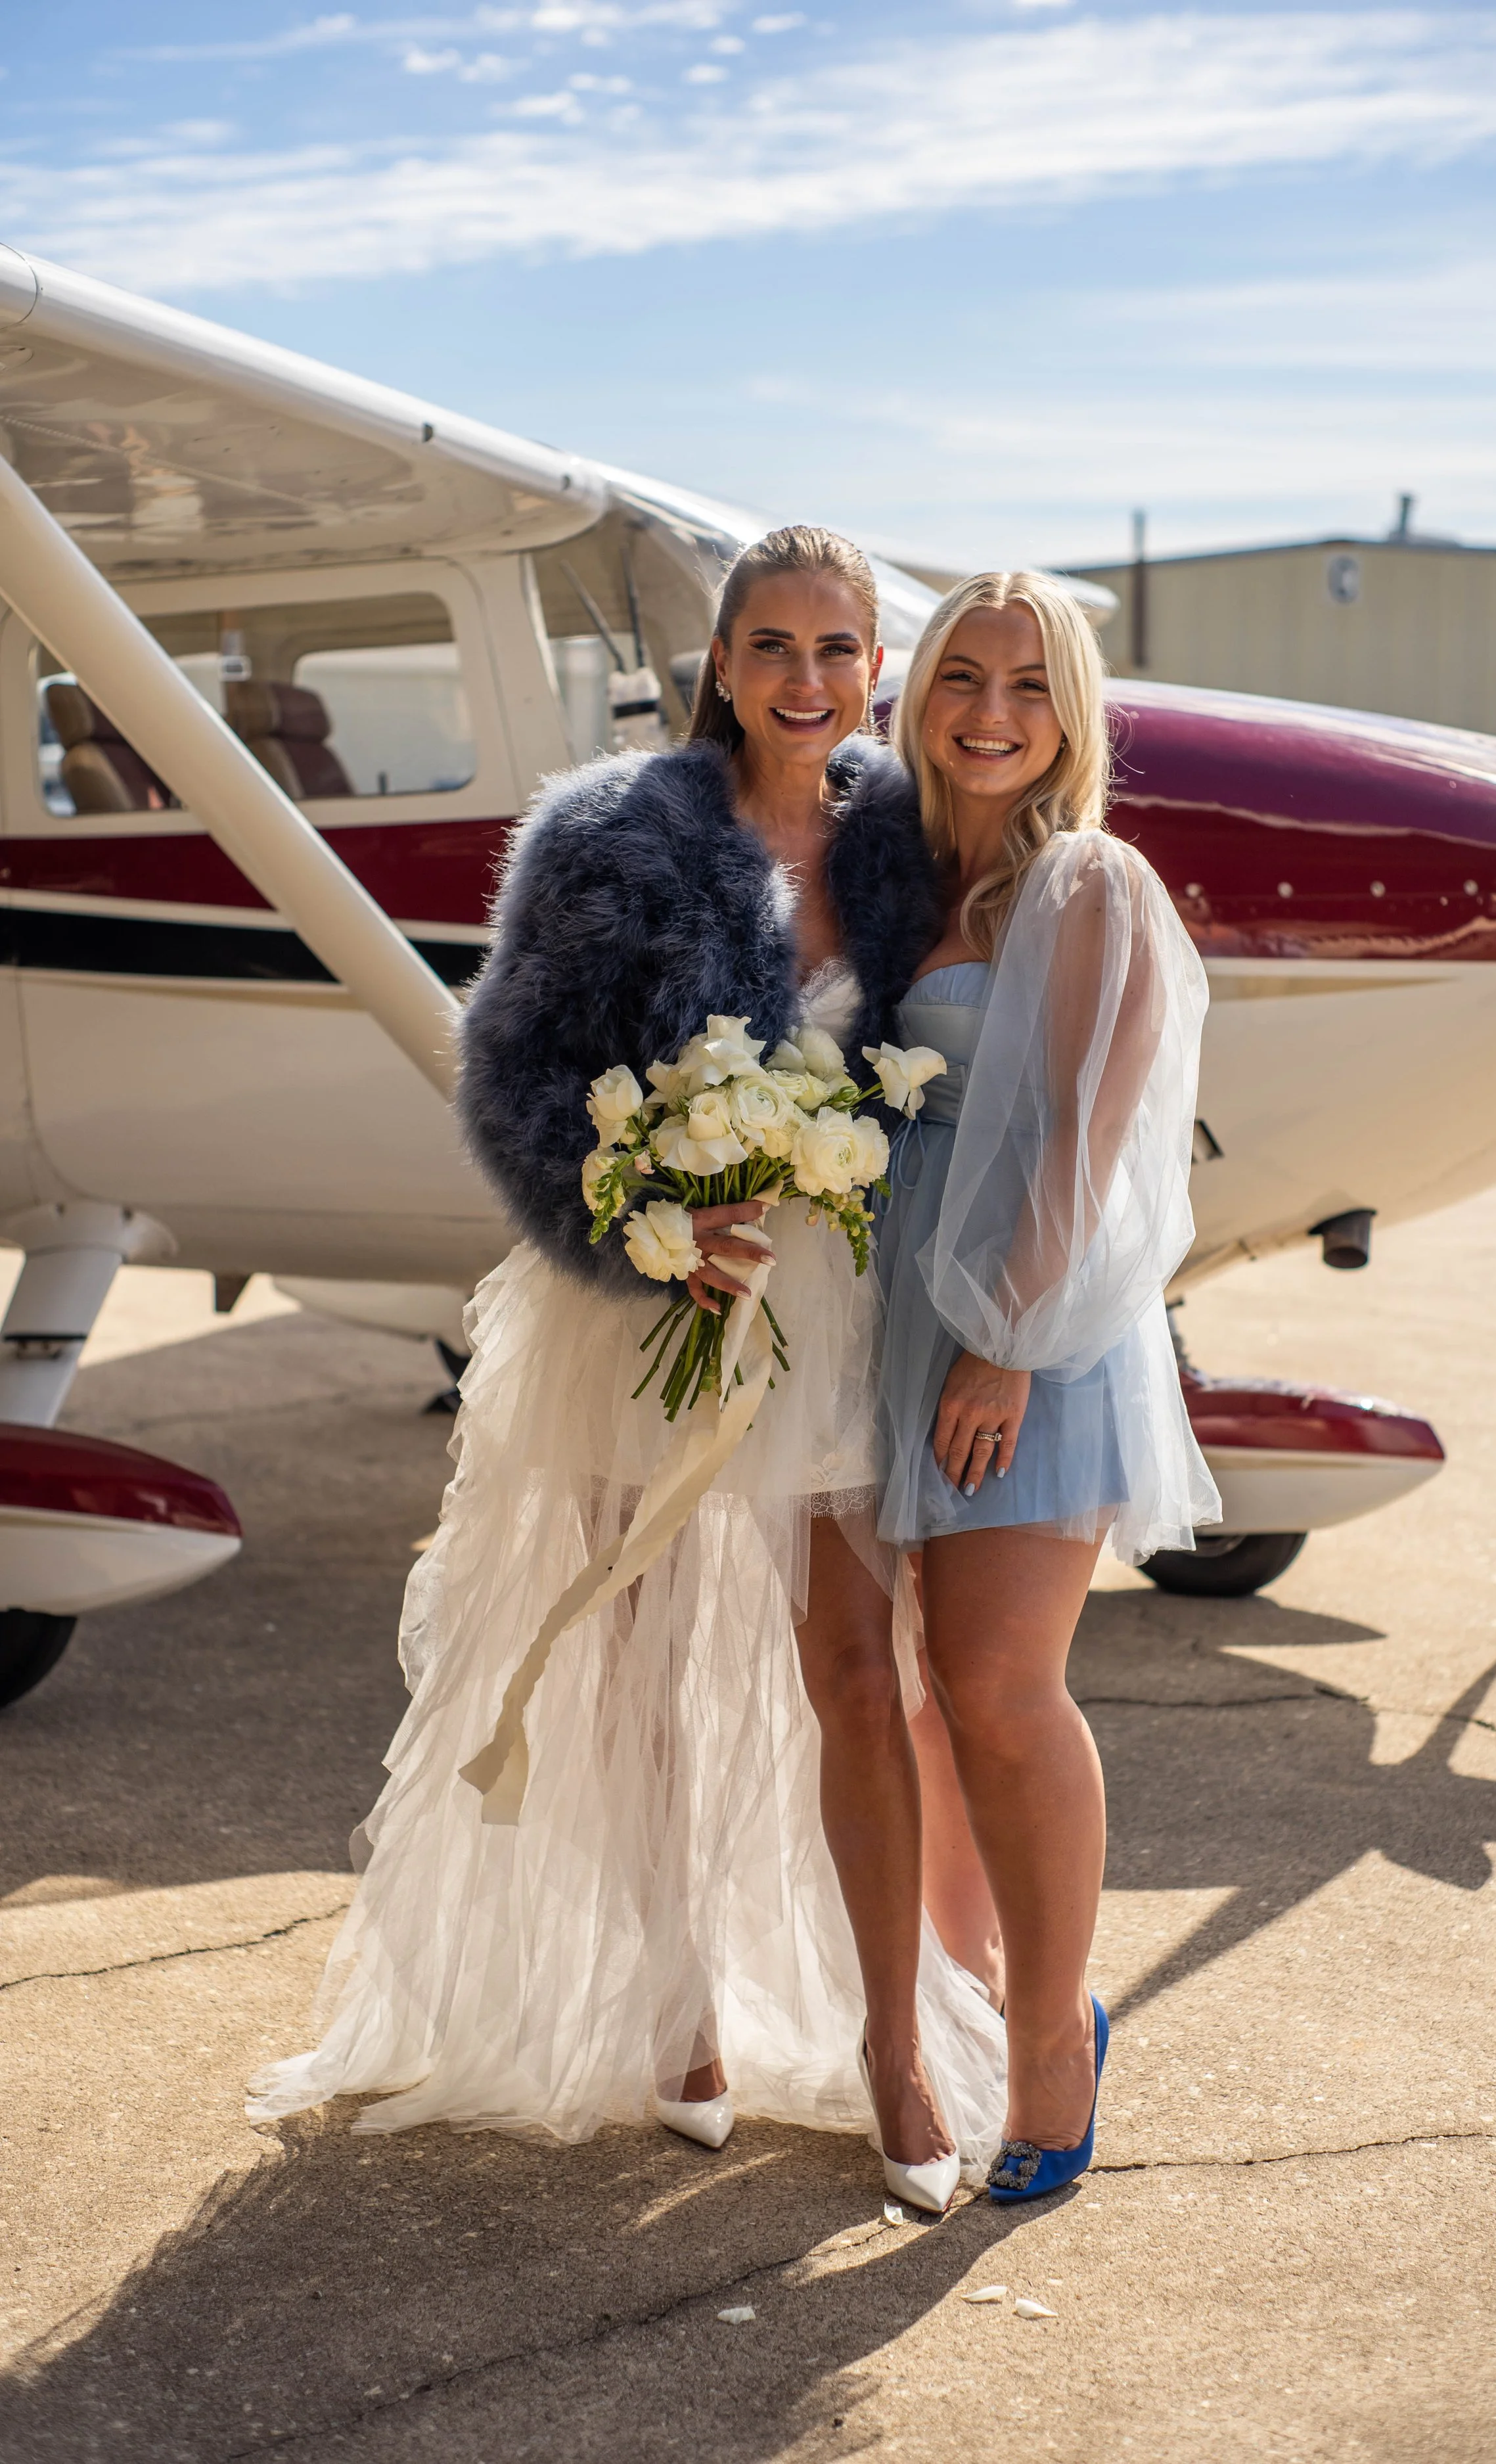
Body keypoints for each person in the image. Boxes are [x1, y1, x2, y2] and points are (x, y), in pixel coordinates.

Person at [249, 526, 1005, 2216]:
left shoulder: (913, 838)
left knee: (855, 1667)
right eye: (774, 648)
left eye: (838, 649)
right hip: (644, 1294)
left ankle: (892, 2042)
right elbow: (512, 1076)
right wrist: (646, 1222)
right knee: (635, 1658)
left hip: (839, 1305)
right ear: (720, 666)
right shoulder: (606, 837)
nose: (807, 683)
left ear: (872, 667)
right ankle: (677, 2008)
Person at [874, 570, 1220, 2202]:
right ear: (919, 692)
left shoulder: (1089, 882)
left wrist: (1002, 1336)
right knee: (919, 1705)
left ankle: (1050, 2045)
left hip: (1025, 1330)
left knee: (1000, 1692)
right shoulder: (892, 881)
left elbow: (1091, 1140)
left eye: (1027, 683)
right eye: (960, 674)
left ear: (1069, 714)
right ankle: (957, 2015)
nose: (990, 710)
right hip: (885, 1324)